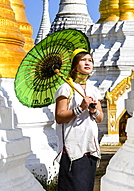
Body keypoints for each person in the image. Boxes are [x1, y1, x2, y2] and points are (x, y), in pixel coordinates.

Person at [54, 48, 104, 191]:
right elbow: (59, 117)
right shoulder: (66, 88)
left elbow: (100, 118)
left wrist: (94, 111)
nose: (88, 63)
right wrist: (80, 108)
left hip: (90, 147)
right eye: (83, 60)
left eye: (90, 60)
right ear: (75, 65)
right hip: (73, 149)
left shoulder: (93, 90)